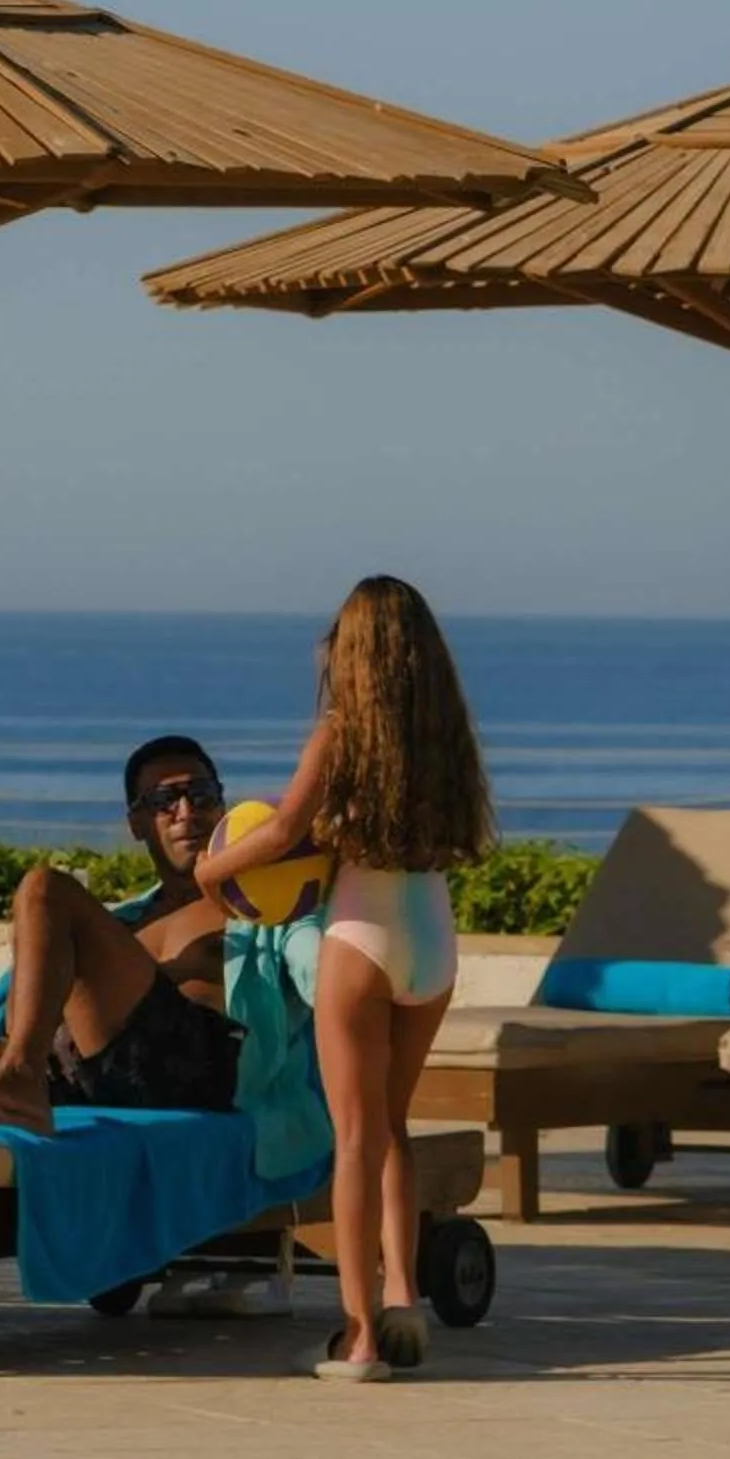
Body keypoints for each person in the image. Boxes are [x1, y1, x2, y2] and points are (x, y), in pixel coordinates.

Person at [196, 577, 489, 1383]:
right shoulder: (446, 742)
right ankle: (403, 1301)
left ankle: (358, 1339)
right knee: (394, 1127)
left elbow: (286, 829)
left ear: (351, 653)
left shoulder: (340, 736)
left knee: (353, 1139)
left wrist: (210, 868)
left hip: (360, 937)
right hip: (431, 938)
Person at [0, 737, 237, 1133]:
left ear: (222, 807)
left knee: (44, 889)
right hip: (73, 1070)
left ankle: (19, 1079)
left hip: (180, 1067)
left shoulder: (255, 910)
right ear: (137, 823)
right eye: (163, 801)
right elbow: (16, 1022)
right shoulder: (119, 924)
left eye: (201, 795)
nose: (186, 812)